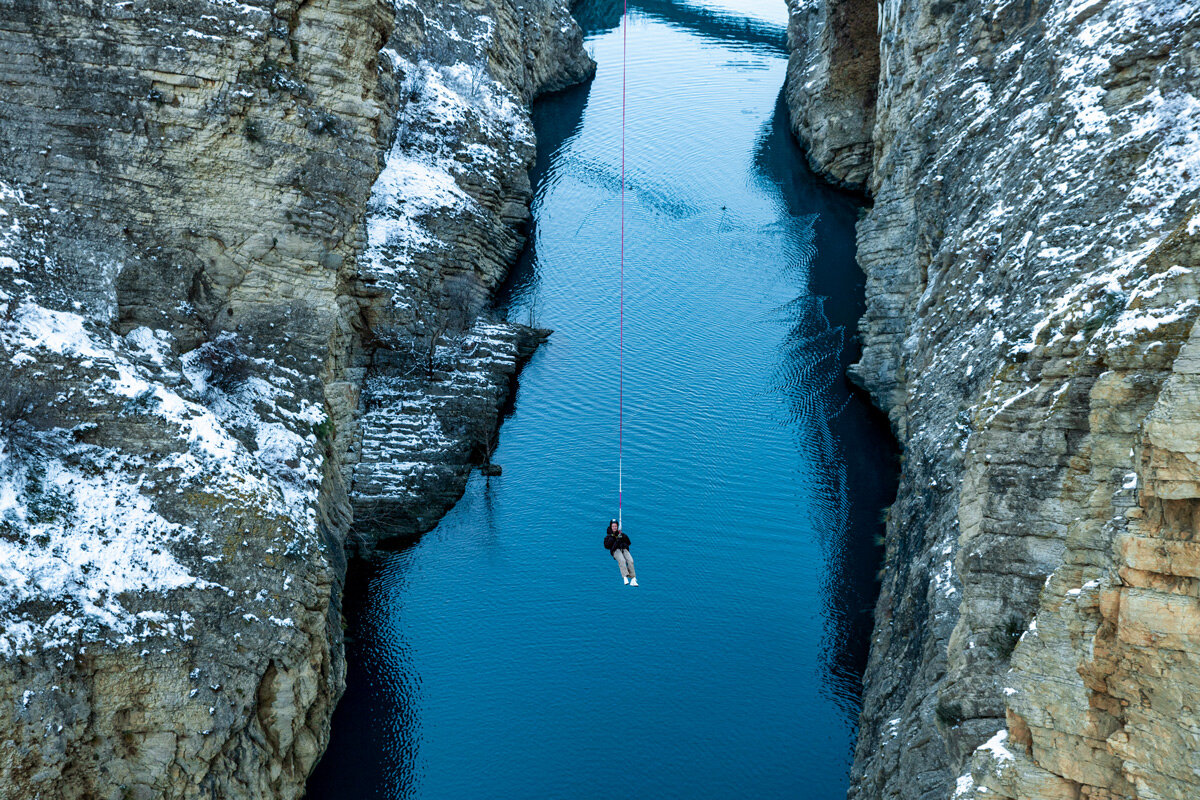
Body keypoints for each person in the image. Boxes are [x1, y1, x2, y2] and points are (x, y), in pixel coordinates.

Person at [603, 519, 637, 586]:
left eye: (616, 526)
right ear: (611, 527)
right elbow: (607, 546)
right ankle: (625, 577)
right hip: (615, 550)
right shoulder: (609, 536)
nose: (614, 528)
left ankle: (633, 578)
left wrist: (623, 536)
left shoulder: (621, 534)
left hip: (623, 548)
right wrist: (615, 539)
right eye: (613, 526)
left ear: (617, 527)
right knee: (622, 560)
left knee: (631, 561)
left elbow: (629, 542)